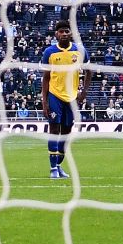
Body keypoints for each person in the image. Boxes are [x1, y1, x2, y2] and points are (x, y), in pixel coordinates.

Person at [43, 19, 84, 180]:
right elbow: (46, 78)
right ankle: (53, 168)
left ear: (71, 33)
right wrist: (45, 101)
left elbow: (88, 70)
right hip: (55, 95)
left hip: (72, 97)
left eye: (67, 31)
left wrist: (84, 92)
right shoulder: (49, 52)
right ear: (56, 34)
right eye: (61, 31)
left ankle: (59, 165)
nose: (65, 34)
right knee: (54, 130)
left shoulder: (79, 51)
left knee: (66, 132)